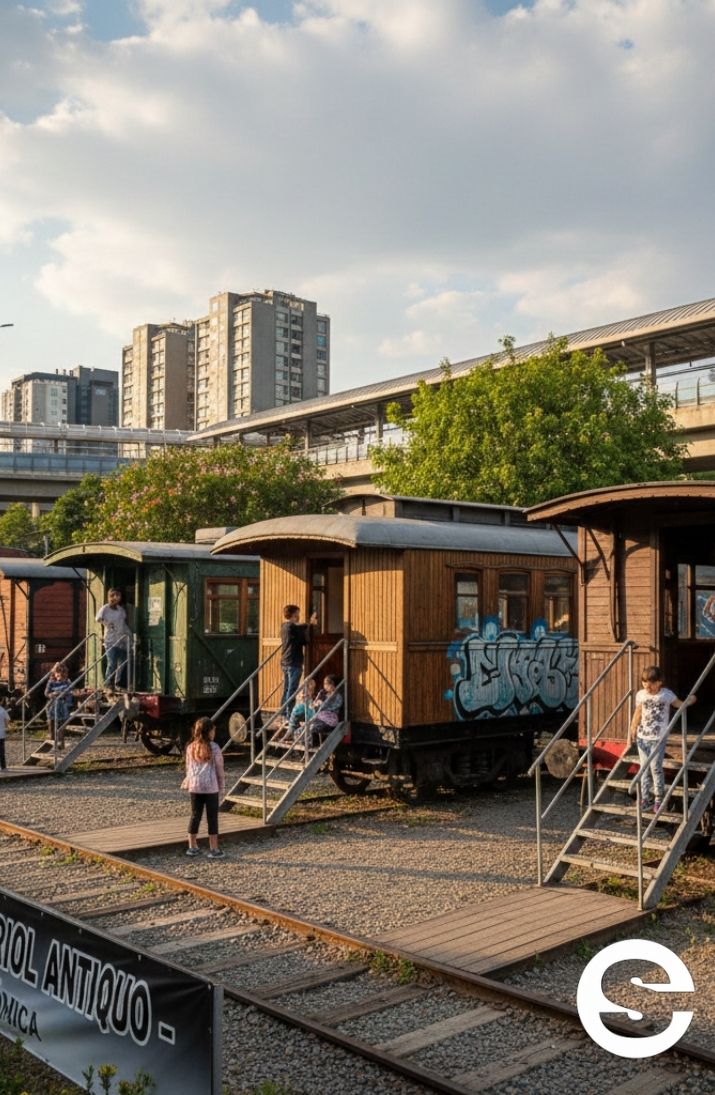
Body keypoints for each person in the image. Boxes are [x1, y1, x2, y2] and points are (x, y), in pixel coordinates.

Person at [627, 665, 696, 814]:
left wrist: (690, 700)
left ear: (659, 682)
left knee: (656, 768)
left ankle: (659, 799)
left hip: (657, 739)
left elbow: (679, 705)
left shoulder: (666, 695)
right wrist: (632, 729)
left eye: (650, 682)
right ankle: (645, 798)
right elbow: (638, 712)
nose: (647, 686)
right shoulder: (641, 695)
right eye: (644, 682)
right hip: (642, 738)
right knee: (644, 769)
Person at [184, 717, 226, 859]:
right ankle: (213, 848)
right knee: (212, 817)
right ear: (209, 732)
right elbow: (219, 769)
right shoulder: (214, 748)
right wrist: (221, 786)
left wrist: (188, 781)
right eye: (213, 730)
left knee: (195, 815)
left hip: (195, 786)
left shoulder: (190, 747)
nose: (214, 732)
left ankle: (192, 846)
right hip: (210, 787)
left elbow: (188, 767)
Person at [279, 604, 316, 716]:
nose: (298, 616)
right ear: (292, 615)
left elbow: (303, 641)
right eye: (297, 614)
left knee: (287, 689)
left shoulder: (286, 627)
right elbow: (301, 627)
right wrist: (310, 623)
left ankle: (284, 713)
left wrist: (307, 628)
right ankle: (288, 714)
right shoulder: (289, 627)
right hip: (293, 662)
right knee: (291, 690)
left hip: (287, 661)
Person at [96, 588, 131, 690]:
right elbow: (98, 618)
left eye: (118, 595)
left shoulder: (121, 610)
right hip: (110, 640)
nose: (116, 598)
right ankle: (108, 683)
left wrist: (129, 635)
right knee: (112, 662)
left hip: (121, 639)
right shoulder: (105, 608)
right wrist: (107, 624)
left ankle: (118, 683)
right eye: (114, 595)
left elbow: (123, 624)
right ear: (110, 596)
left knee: (123, 661)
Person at [307, 674, 344, 747]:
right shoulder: (323, 693)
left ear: (333, 684)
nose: (325, 686)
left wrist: (321, 704)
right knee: (304, 728)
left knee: (312, 727)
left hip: (330, 720)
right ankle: (308, 744)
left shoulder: (337, 697)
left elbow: (331, 708)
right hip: (320, 717)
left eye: (327, 684)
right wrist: (314, 704)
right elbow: (315, 705)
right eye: (324, 684)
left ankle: (314, 744)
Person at [44, 662, 73, 750]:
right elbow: (46, 693)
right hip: (53, 704)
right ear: (54, 673)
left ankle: (61, 745)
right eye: (58, 672)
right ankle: (52, 744)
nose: (60, 675)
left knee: (61, 727)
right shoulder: (51, 682)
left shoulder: (67, 682)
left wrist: (65, 694)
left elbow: (70, 692)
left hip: (63, 705)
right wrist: (53, 694)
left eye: (63, 672)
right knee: (52, 725)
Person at [280, 678, 318, 742]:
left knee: (299, 713)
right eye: (309, 687)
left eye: (311, 689)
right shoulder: (303, 690)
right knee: (295, 713)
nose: (309, 691)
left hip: (307, 713)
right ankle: (290, 733)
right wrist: (303, 698)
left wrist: (311, 703)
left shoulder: (311, 695)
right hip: (301, 711)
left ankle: (291, 734)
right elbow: (301, 699)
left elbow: (310, 704)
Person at [0, 699, 8, 773]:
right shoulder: (3, 710)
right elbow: (6, 723)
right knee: (1, 751)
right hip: (1, 734)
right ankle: (3, 767)